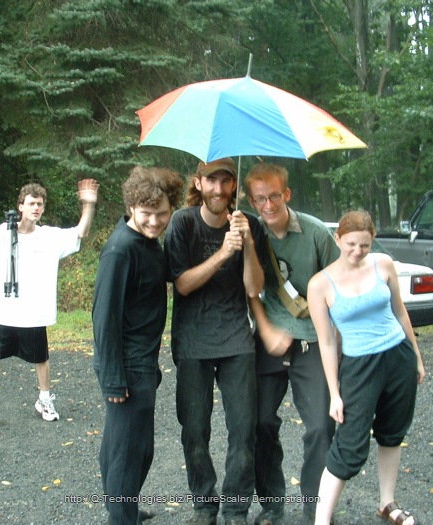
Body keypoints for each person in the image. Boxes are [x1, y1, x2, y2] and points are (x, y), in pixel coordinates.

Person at [164, 158, 267, 525]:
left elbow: (254, 287)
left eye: (226, 181)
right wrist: (224, 251)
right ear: (199, 183)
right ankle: (204, 505)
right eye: (211, 181)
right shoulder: (183, 223)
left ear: (234, 185)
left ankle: (236, 508)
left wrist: (247, 243)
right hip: (192, 340)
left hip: (236, 338)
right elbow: (182, 284)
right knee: (194, 430)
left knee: (243, 429)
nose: (219, 189)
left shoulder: (248, 224)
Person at [306, 211, 426, 525]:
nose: (357, 251)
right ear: (337, 240)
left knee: (392, 432)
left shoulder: (383, 264)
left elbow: (400, 312)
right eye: (350, 244)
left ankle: (388, 503)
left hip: (397, 357)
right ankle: (321, 520)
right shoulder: (320, 284)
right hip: (359, 367)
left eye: (364, 245)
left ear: (372, 241)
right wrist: (335, 393)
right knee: (349, 445)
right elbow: (327, 342)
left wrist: (416, 357)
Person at [244, 163, 338, 525]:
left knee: (320, 427)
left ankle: (316, 508)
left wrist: (337, 342)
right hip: (269, 339)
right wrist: (266, 330)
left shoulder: (315, 233)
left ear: (287, 194)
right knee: (260, 423)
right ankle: (272, 505)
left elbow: (339, 285)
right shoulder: (251, 231)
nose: (267, 205)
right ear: (251, 201)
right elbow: (251, 290)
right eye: (259, 199)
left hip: (313, 340)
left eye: (274, 196)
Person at [0, 179, 99, 429]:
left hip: (35, 313)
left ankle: (44, 399)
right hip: (5, 312)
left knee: (41, 359)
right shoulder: (3, 232)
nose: (36, 208)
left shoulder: (48, 236)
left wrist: (88, 204)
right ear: (20, 206)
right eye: (31, 203)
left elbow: (80, 232)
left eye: (40, 204)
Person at [92, 166, 183, 525]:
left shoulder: (147, 243)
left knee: (126, 445)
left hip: (142, 361)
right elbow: (104, 317)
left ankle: (122, 508)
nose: (155, 221)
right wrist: (113, 378)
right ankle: (121, 516)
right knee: (131, 451)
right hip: (126, 365)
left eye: (162, 213)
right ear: (131, 206)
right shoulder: (121, 250)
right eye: (146, 213)